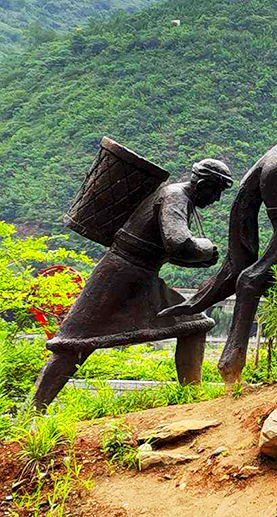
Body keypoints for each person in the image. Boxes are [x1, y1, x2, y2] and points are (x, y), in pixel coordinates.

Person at [31, 158, 235, 409]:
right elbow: (178, 242)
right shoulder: (175, 196)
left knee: (195, 324)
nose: (216, 199)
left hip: (142, 276)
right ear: (203, 183)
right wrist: (206, 248)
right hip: (119, 276)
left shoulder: (180, 199)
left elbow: (162, 249)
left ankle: (191, 400)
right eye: (216, 191)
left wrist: (201, 258)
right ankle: (33, 411)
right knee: (73, 343)